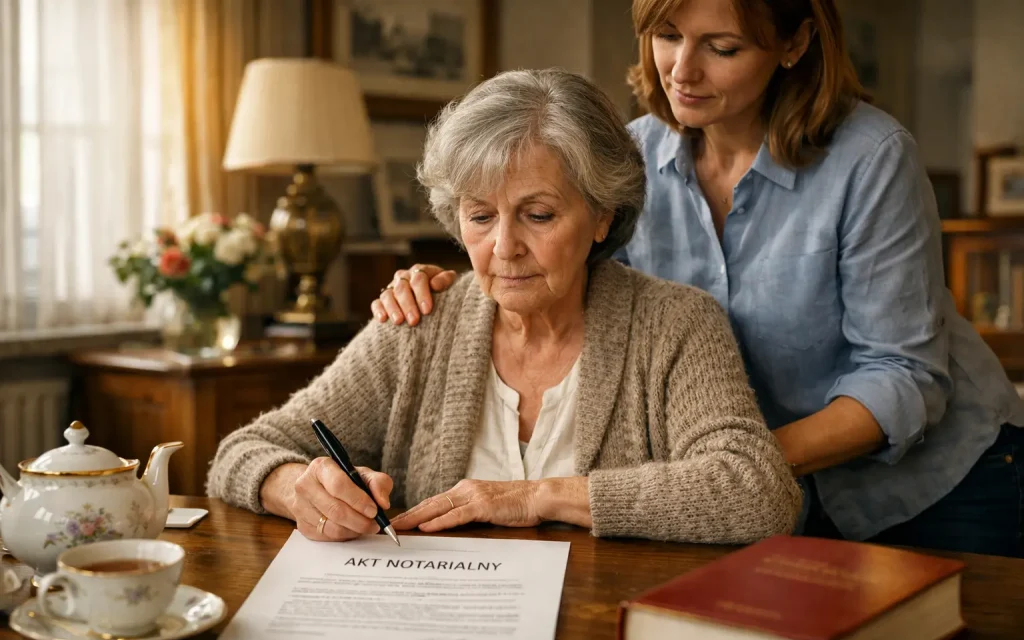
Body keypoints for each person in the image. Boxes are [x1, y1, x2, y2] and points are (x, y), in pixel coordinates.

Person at [370, 0, 1024, 557]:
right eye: (667, 36)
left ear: (793, 43)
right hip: (757, 492)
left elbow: (900, 375)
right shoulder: (632, 158)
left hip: (936, 487)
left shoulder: (871, 159)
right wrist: (455, 283)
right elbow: (583, 287)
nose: (682, 70)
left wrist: (732, 469)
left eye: (723, 46)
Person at [207, 68, 802, 545]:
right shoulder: (421, 321)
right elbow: (241, 453)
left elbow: (757, 491)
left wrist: (539, 496)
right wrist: (297, 489)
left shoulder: (675, 324)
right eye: (480, 216)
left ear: (602, 216)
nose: (504, 248)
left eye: (539, 215)